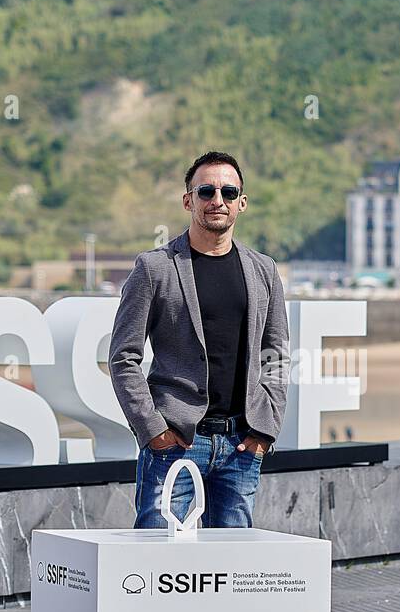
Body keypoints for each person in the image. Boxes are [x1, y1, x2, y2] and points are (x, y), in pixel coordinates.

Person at [110, 151, 290, 528]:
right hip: (174, 444)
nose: (217, 201)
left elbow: (275, 355)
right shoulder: (155, 267)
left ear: (242, 202)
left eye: (228, 192)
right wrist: (154, 431)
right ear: (188, 200)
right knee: (159, 565)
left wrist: (264, 432)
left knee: (232, 570)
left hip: (242, 446)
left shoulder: (264, 270)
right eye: (206, 191)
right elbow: (124, 357)